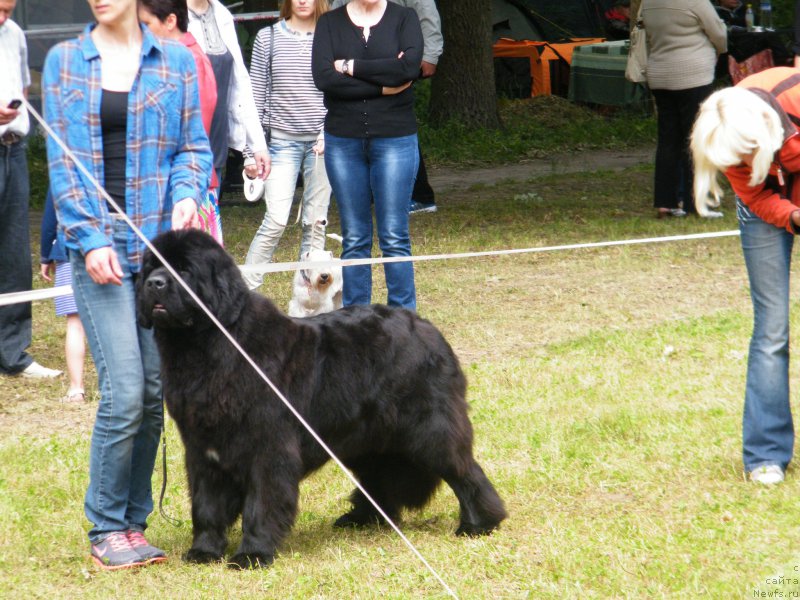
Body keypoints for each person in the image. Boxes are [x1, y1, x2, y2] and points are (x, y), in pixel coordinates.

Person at [43, 0, 212, 570]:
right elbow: (64, 166)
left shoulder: (176, 63)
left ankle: (134, 522)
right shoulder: (66, 61)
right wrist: (89, 240)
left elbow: (194, 146)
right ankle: (106, 524)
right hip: (100, 246)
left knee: (155, 385)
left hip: (160, 245)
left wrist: (188, 190)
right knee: (124, 388)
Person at [690, 67, 800, 485]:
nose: (742, 164)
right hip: (766, 206)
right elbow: (754, 193)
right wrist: (793, 216)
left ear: (764, 131)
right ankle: (766, 456)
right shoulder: (725, 129)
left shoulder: (794, 98)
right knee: (772, 330)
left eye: (747, 154)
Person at [312, 0, 423, 309]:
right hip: (343, 140)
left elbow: (408, 69)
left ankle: (403, 320)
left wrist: (350, 67)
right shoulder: (330, 22)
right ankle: (355, 323)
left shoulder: (404, 18)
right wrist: (384, 86)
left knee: (394, 236)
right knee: (355, 237)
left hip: (395, 138)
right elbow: (324, 79)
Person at [242, 0, 332, 291]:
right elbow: (254, 95)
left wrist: (329, 132)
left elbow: (341, 90)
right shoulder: (267, 37)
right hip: (281, 143)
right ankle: (245, 292)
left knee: (316, 224)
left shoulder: (332, 35)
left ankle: (311, 302)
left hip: (323, 143)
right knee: (276, 221)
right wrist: (250, 152)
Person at [330, 0, 442, 215]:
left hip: (397, 65)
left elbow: (428, 17)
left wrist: (429, 56)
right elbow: (334, 18)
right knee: (362, 124)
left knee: (396, 128)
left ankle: (420, 195)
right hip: (357, 66)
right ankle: (370, 194)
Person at [0, 0, 62, 380]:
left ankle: (12, 352)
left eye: (8, 10)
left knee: (13, 253)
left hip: (13, 149)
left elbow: (23, 86)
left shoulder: (15, 34)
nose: (3, 18)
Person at [138, 0, 223, 244]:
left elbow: (195, 134)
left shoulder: (189, 59)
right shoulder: (167, 57)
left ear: (170, 21)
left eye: (145, 24)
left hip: (188, 189)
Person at [641, 0, 727, 218]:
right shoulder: (695, 1)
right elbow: (719, 33)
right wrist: (720, 51)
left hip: (660, 73)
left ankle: (665, 203)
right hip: (693, 75)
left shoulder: (649, 3)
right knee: (697, 140)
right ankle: (696, 203)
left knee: (668, 141)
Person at [186, 0, 269, 194]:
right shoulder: (165, 14)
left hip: (215, 138)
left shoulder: (223, 16)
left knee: (208, 219)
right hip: (180, 143)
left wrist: (257, 146)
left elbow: (240, 83)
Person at [40, 190, 87, 403]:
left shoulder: (66, 163)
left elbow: (51, 217)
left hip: (69, 249)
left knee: (75, 323)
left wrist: (44, 254)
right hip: (111, 249)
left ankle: (76, 389)